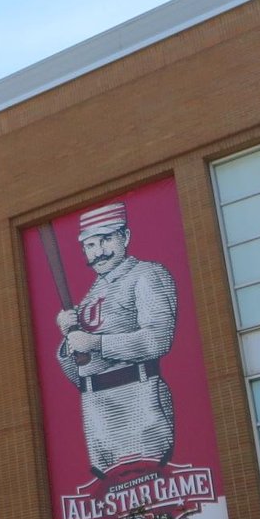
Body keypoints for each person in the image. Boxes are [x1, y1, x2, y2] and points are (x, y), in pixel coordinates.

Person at [54, 200, 177, 478]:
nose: (99, 253)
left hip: (138, 397)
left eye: (106, 240)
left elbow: (158, 340)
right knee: (112, 499)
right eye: (90, 245)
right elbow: (78, 374)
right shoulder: (91, 295)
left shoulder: (147, 275)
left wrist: (97, 343)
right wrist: (68, 340)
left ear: (125, 237)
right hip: (96, 408)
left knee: (151, 488)